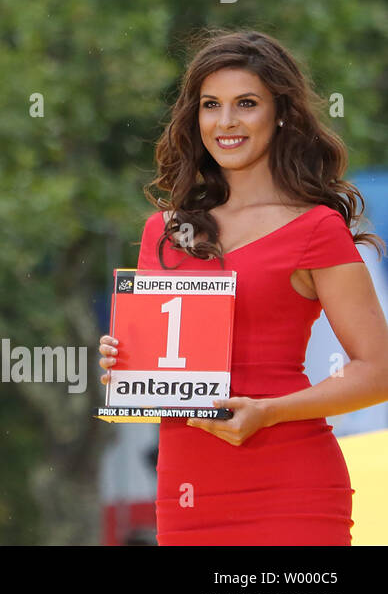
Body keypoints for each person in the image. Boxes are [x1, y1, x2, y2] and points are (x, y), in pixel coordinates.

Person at [99, 29, 388, 545]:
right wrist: (123, 364)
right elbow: (159, 366)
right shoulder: (163, 232)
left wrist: (269, 410)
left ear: (280, 114)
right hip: (187, 489)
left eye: (246, 104)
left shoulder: (317, 228)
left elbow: (378, 371)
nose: (226, 122)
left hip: (292, 485)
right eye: (211, 105)